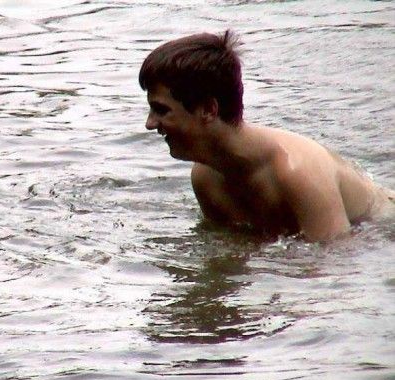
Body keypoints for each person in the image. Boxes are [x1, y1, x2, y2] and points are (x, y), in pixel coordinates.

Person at [139, 30, 394, 242]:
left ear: (208, 109)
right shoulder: (207, 178)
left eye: (161, 110)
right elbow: (228, 250)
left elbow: (336, 271)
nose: (150, 123)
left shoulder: (298, 171)